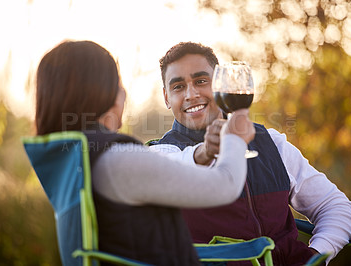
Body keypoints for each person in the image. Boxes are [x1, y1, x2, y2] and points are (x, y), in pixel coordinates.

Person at [35, 40, 256, 266]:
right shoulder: (117, 160)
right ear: (101, 91)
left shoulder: (72, 158)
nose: (124, 93)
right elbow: (225, 185)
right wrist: (234, 139)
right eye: (118, 84)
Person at [148, 42, 351, 265]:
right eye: (178, 87)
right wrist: (207, 152)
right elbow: (176, 169)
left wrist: (315, 257)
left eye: (201, 81)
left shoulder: (271, 143)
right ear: (166, 97)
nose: (191, 94)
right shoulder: (159, 155)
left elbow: (336, 207)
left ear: (220, 85)